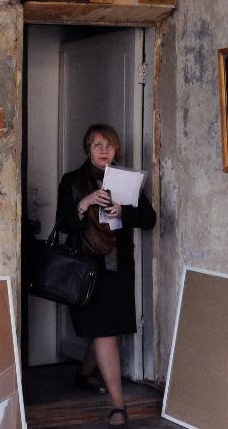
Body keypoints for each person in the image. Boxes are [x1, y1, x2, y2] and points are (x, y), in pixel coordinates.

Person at [56, 124, 156, 428]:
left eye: (108, 145)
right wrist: (84, 204)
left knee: (108, 329)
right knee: (104, 331)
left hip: (116, 265)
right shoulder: (72, 181)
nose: (103, 151)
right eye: (96, 145)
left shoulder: (127, 181)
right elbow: (63, 225)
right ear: (87, 149)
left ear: (116, 150)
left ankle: (84, 373)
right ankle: (118, 404)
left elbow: (149, 219)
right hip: (85, 268)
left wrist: (122, 212)